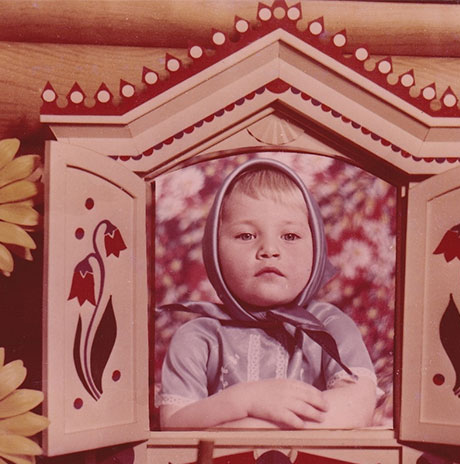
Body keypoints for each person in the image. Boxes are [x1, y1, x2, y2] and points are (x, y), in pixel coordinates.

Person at [159, 158, 378, 430]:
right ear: (213, 251)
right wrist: (245, 400)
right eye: (246, 235)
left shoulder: (330, 326)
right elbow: (174, 423)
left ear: (317, 248)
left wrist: (252, 427)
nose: (270, 250)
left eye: (290, 236)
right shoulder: (198, 336)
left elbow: (357, 406)